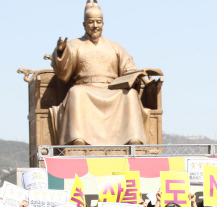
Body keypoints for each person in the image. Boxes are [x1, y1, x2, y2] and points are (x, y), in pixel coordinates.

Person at [49, 0, 149, 146]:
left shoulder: (115, 47)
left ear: (103, 24)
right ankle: (78, 139)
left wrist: (136, 75)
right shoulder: (74, 44)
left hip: (111, 89)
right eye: (91, 22)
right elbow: (62, 72)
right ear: (84, 24)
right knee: (76, 92)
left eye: (98, 22)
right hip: (86, 88)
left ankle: (133, 139)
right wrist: (61, 52)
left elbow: (129, 68)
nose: (95, 26)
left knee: (131, 95)